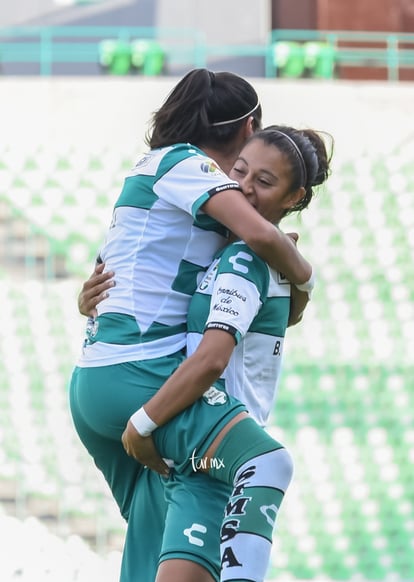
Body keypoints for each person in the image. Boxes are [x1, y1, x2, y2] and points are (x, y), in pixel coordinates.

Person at [69, 68, 315, 582]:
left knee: (149, 541)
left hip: (100, 377)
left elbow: (116, 269)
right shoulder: (189, 166)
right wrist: (305, 273)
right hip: (146, 379)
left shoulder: (178, 196)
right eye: (245, 172)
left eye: (263, 181)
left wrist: (83, 297)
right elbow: (261, 241)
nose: (244, 187)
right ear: (249, 127)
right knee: (264, 463)